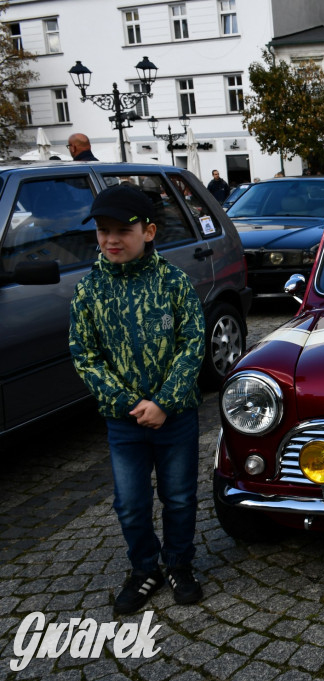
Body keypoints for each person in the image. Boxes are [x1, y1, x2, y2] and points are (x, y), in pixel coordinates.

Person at [68, 184, 206, 615]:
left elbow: (193, 343)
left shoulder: (173, 282)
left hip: (176, 416)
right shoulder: (89, 291)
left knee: (180, 496)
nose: (111, 239)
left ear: (147, 232)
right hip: (123, 422)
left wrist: (164, 401)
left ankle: (179, 564)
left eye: (122, 231)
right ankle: (144, 567)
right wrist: (130, 403)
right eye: (103, 231)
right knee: (130, 503)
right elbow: (83, 354)